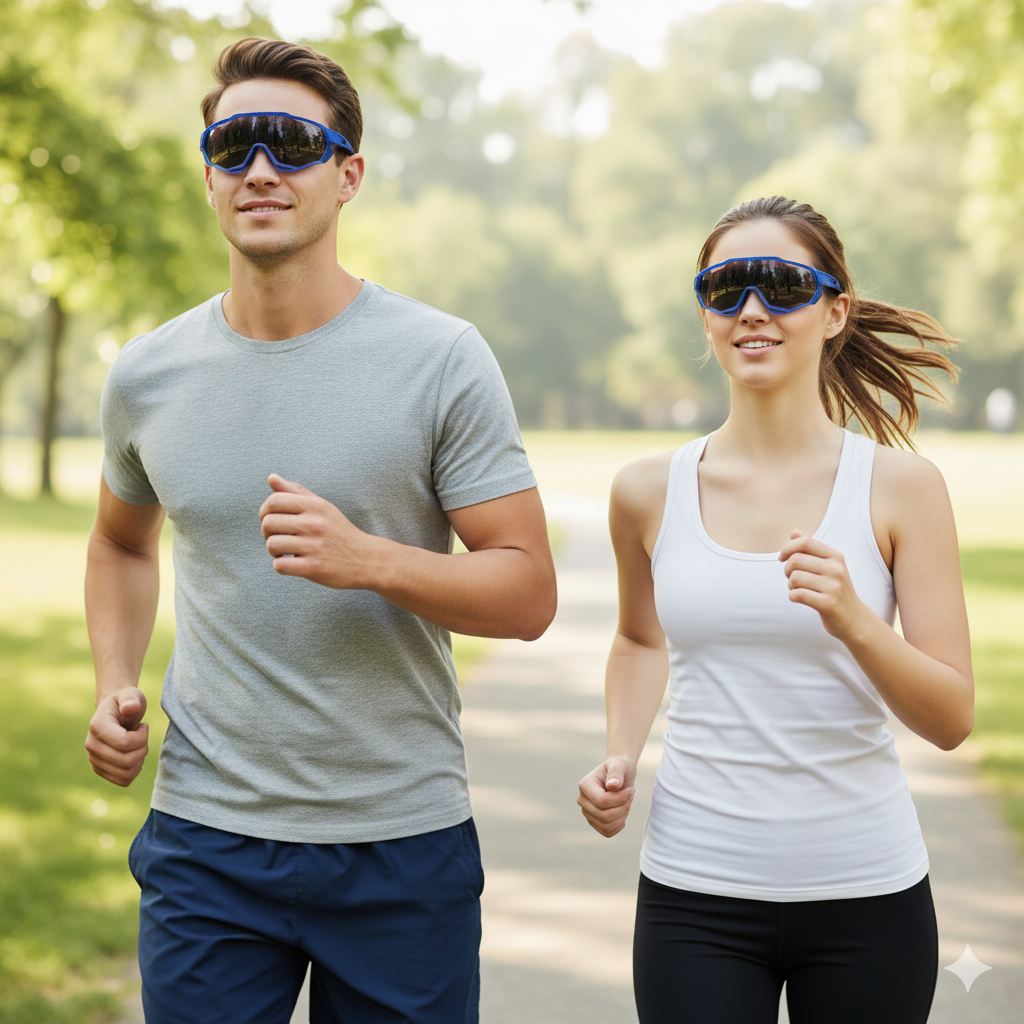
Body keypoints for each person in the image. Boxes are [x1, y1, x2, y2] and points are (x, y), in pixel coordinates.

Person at [84, 36, 556, 1024]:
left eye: (292, 144)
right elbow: (121, 543)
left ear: (348, 176)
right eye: (234, 144)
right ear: (209, 173)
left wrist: (370, 560)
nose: (260, 168)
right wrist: (115, 681)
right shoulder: (148, 375)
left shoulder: (441, 360)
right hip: (206, 839)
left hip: (400, 841)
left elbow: (526, 591)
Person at [577, 196, 972, 1024]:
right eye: (726, 288)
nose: (752, 309)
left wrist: (858, 621)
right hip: (695, 896)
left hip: (868, 895)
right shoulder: (648, 491)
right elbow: (639, 639)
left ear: (835, 312)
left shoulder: (901, 489)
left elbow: (950, 717)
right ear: (705, 313)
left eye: (783, 285)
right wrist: (619, 755)